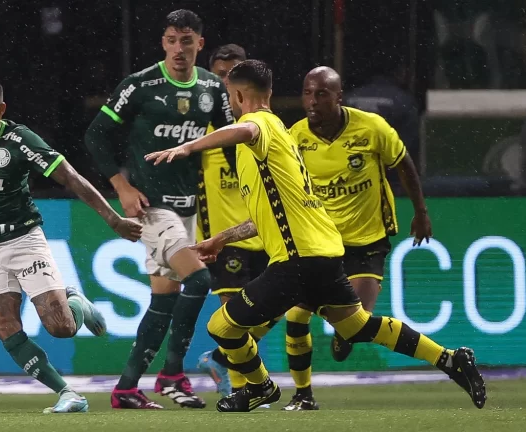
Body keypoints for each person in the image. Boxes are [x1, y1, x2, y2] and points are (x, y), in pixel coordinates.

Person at [145, 59, 486, 413]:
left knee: (222, 326)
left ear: (238, 95)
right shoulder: (282, 136)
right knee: (357, 326)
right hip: (321, 254)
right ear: (272, 92)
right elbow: (272, 215)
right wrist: (222, 238)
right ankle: (450, 359)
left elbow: (245, 131)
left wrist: (189, 146)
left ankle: (259, 387)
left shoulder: (257, 123)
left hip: (297, 260)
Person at [0, 75, 142, 414]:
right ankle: (68, 394)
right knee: (3, 322)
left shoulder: (19, 139)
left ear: (1, 109)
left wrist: (112, 217)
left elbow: (70, 177)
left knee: (60, 328)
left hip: (22, 240)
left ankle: (76, 303)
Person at [84, 9, 235, 409]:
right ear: (163, 42)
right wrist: (121, 186)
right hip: (152, 209)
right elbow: (96, 133)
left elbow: (230, 143)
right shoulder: (140, 86)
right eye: (171, 40)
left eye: (187, 41)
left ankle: (126, 388)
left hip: (189, 210)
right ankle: (172, 376)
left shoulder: (212, 89)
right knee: (200, 282)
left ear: (200, 44)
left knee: (164, 301)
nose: (179, 49)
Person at [276, 66, 431, 411]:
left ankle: (344, 334)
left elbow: (404, 163)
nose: (312, 101)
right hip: (319, 242)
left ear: (339, 97)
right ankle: (303, 395)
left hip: (366, 239)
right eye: (307, 93)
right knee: (296, 315)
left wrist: (420, 212)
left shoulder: (371, 127)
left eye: (321, 94)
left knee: (356, 325)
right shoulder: (293, 138)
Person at [194, 44, 281, 404]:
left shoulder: (262, 126)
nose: (225, 85)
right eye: (219, 76)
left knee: (276, 308)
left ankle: (216, 360)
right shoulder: (204, 128)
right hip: (225, 237)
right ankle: (242, 387)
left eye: (232, 76)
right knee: (234, 317)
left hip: (261, 233)